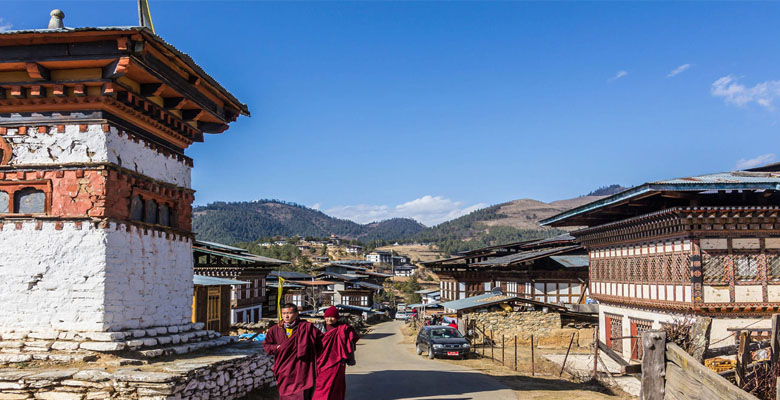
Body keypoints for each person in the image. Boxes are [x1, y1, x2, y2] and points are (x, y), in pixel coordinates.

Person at [264, 303, 323, 400]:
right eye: (283, 313)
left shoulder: (306, 327)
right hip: (284, 370)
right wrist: (278, 347)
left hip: (302, 368)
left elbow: (321, 343)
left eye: (290, 313)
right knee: (286, 394)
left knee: (301, 393)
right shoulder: (275, 329)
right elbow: (267, 345)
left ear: (296, 314)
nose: (286, 316)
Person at [313, 306, 359, 400]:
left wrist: (350, 359)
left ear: (337, 317)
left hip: (338, 362)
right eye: (327, 316)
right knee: (321, 385)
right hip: (321, 361)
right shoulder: (317, 328)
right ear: (324, 317)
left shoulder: (344, 328)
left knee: (336, 385)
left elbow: (350, 343)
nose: (329, 319)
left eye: (332, 316)